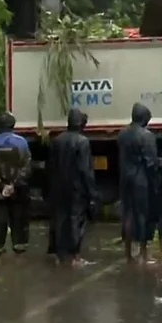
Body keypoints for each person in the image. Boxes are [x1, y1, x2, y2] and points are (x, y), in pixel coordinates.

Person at [47, 108, 97, 266]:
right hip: (77, 188)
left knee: (59, 219)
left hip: (58, 186)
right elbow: (85, 170)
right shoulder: (82, 142)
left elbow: (50, 166)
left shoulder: (57, 140)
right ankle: (75, 256)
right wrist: (92, 193)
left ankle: (57, 254)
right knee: (76, 220)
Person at [0, 112, 31, 257]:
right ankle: (19, 244)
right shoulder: (22, 142)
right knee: (19, 216)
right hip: (18, 189)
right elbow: (26, 166)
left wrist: (0, 185)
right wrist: (14, 185)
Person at [118, 103, 160, 263]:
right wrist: (155, 181)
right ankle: (143, 252)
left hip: (125, 178)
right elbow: (151, 162)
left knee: (127, 215)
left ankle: (128, 252)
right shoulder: (147, 136)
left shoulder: (122, 134)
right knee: (142, 215)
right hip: (141, 180)